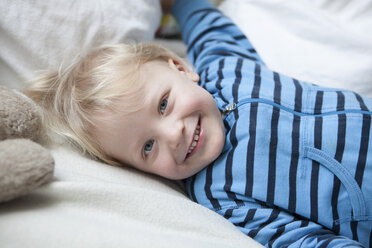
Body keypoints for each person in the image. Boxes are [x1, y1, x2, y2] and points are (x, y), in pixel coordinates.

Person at [25, 0, 371, 247]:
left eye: (163, 104)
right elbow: (295, 238)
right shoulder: (220, 194)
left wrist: (179, 4)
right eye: (148, 147)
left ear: (180, 68)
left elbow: (211, 29)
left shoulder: (224, 69)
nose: (173, 134)